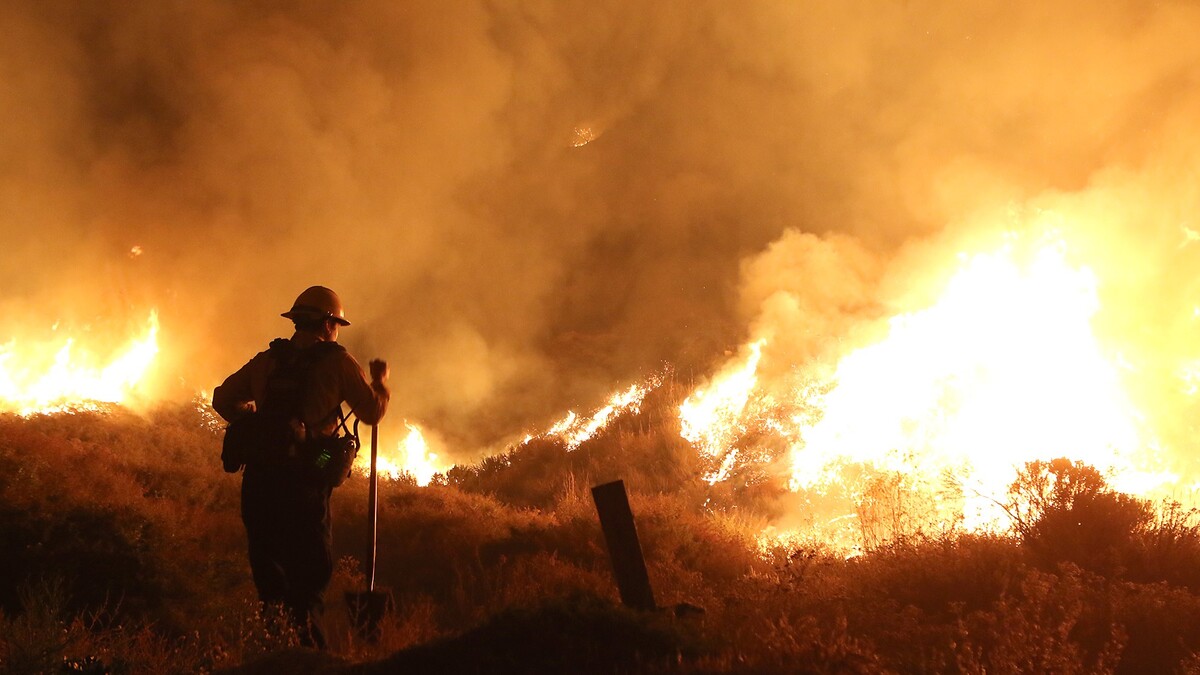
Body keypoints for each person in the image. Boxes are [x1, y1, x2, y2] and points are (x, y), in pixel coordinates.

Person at [212, 285, 389, 648]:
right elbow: (371, 412)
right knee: (309, 577)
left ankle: (276, 653)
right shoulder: (338, 362)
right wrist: (381, 384)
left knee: (270, 579)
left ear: (296, 321)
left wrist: (256, 423)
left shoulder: (268, 360)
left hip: (259, 483)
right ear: (327, 323)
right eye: (336, 324)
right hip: (305, 485)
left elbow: (222, 398)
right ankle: (308, 658)